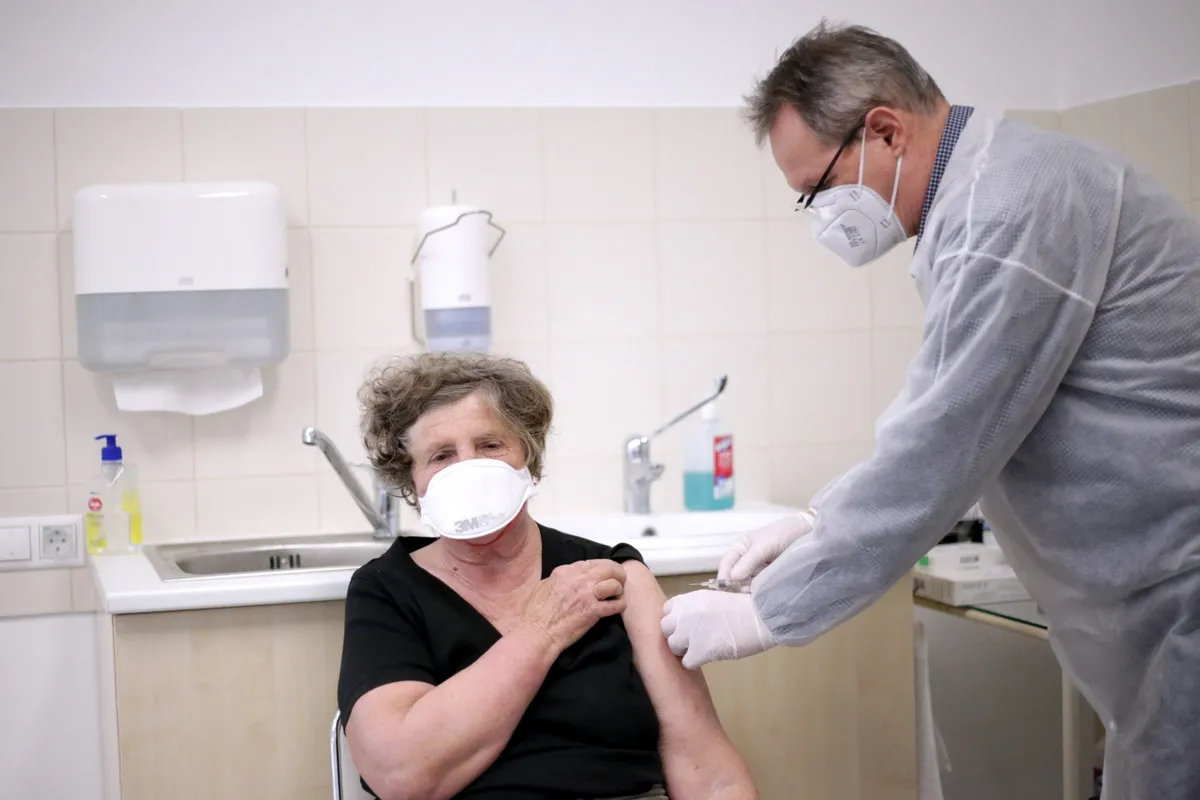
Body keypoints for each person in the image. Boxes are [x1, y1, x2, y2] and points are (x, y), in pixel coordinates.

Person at [660, 19, 1200, 800]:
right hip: (1151, 597)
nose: (820, 215)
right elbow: (943, 413)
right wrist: (819, 520)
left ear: (885, 131)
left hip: (1178, 582)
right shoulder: (982, 202)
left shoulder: (1007, 211)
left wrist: (767, 613)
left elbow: (945, 443)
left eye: (818, 190)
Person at [337, 351, 756, 800]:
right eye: (442, 456)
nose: (469, 470)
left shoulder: (614, 577)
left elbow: (711, 776)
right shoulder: (388, 591)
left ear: (528, 457)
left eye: (490, 446)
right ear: (412, 481)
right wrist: (542, 630)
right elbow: (400, 774)